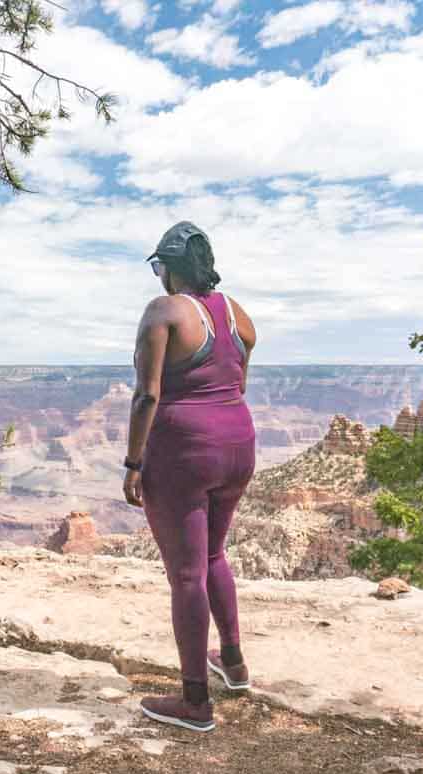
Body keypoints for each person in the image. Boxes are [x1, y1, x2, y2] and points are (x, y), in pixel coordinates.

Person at [123, 220, 257, 733]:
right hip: (238, 444)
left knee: (186, 575)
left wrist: (135, 463)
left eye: (159, 266)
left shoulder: (164, 312)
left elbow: (147, 395)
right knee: (214, 555)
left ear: (170, 268)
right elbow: (237, 380)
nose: (159, 276)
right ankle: (234, 664)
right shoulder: (236, 313)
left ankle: (195, 702)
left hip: (184, 453)